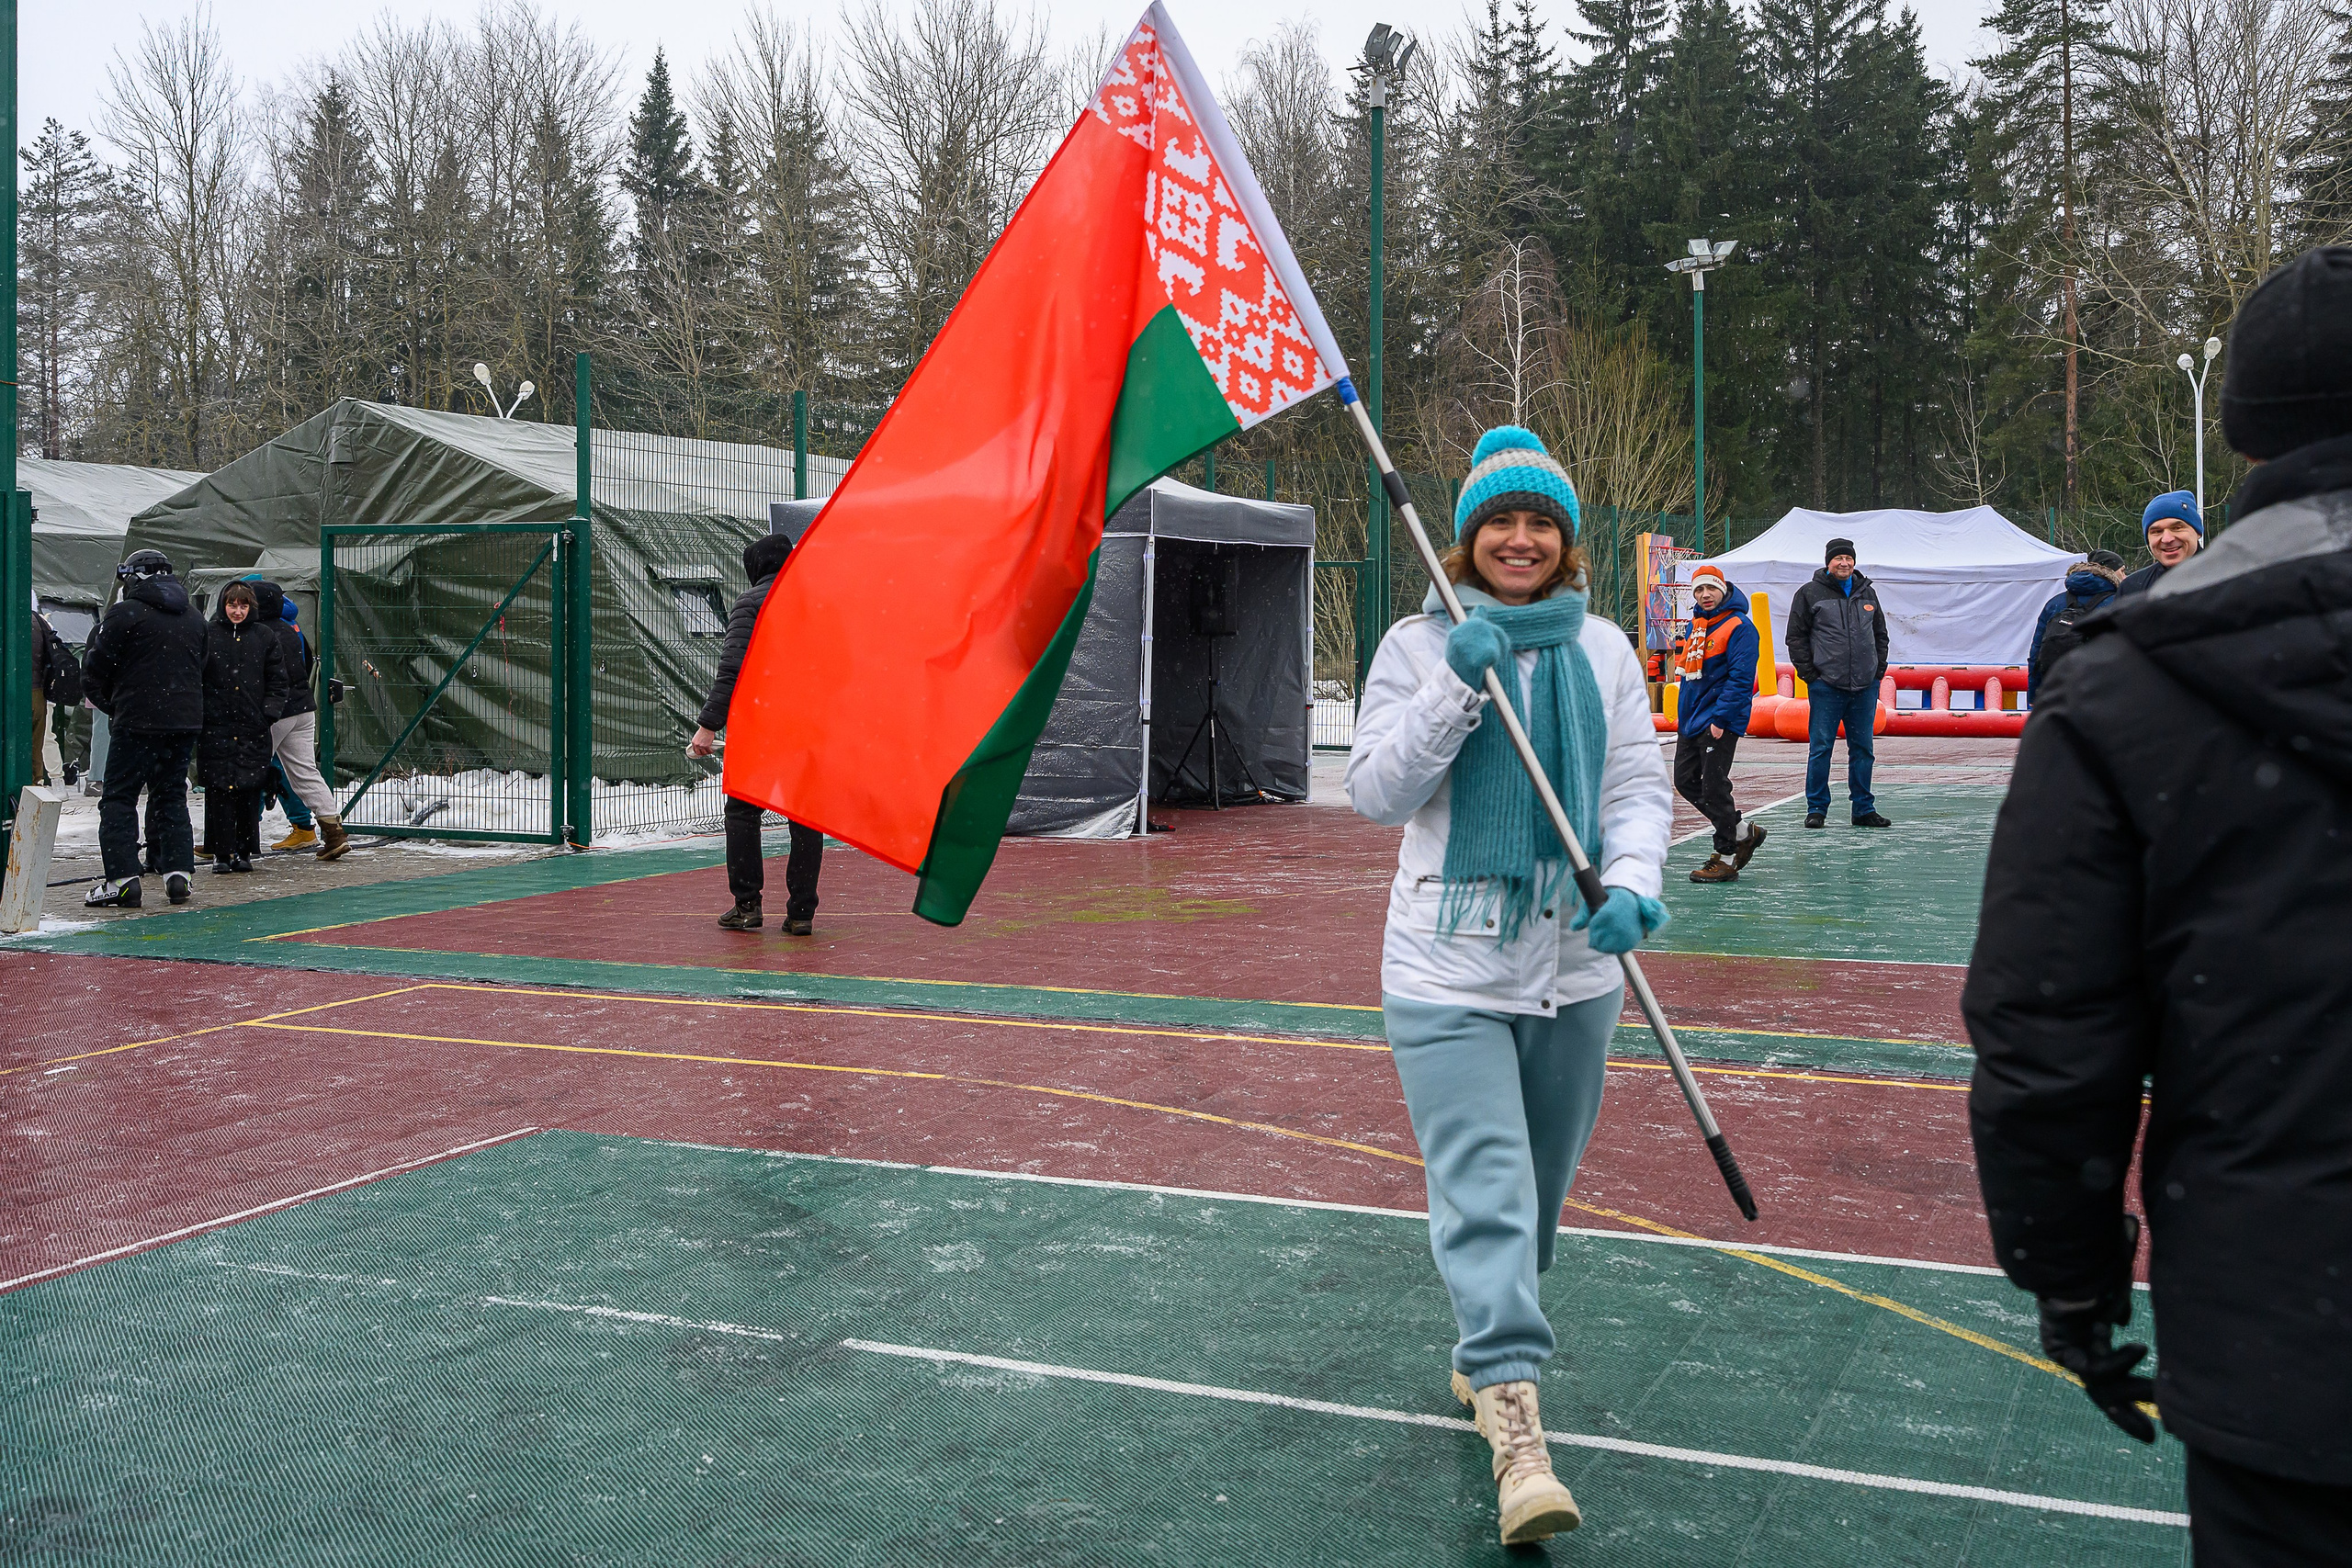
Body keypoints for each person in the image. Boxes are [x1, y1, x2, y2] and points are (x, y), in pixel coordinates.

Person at [1964, 244, 2352, 1564]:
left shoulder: (2128, 684)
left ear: (2244, 425)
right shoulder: (2121, 668)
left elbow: (2046, 1027)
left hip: (2287, 1331)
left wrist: (2068, 1271)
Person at [1345, 426, 1672, 1546]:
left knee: (1532, 1198)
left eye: (1540, 523)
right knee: (1485, 1187)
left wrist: (1630, 882)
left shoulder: (1607, 652)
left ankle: (1479, 1350)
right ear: (1468, 536)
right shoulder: (1413, 644)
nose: (1520, 539)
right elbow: (1379, 793)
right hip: (1446, 968)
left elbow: (1635, 787)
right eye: (1500, 522)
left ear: (1566, 542)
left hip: (1580, 969)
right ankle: (1517, 1433)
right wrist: (1453, 687)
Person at [690, 533, 824, 935]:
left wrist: (708, 726)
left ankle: (747, 904)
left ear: (756, 568)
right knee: (804, 818)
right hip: (807, 728)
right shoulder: (816, 602)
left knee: (743, 814)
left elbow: (731, 670)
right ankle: (801, 912)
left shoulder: (751, 603)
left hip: (761, 726)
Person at [80, 549, 207, 908]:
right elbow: (204, 668)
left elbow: (95, 670)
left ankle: (121, 880)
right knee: (170, 795)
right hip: (184, 722)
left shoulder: (124, 614)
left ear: (132, 578)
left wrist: (117, 706)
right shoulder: (194, 618)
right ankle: (178, 874)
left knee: (119, 798)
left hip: (136, 721)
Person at [1784, 536, 1892, 829]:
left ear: (1854, 562)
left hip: (1864, 687)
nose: (1844, 563)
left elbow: (1881, 635)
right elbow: (1795, 637)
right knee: (1821, 748)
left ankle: (1863, 809)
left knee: (1864, 749)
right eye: (1838, 559)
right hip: (1826, 687)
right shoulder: (1809, 593)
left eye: (1848, 558)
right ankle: (1816, 808)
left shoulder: (1868, 593)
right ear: (1828, 562)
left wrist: (1877, 671)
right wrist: (1811, 676)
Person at [1673, 564, 1766, 882]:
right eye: (1698, 590)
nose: (1705, 595)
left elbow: (1741, 680)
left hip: (1719, 719)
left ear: (1723, 589)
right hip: (1692, 719)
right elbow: (1688, 677)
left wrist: (1721, 718)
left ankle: (1725, 855)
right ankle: (1742, 831)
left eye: (1710, 588)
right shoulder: (1695, 626)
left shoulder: (1740, 626)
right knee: (1685, 780)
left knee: (1713, 786)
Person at [248, 581, 350, 861]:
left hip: (272, 712)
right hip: (302, 708)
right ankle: (333, 832)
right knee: (305, 772)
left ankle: (235, 838)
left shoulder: (258, 632)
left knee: (246, 771)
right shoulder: (291, 628)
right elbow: (305, 666)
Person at [198, 581, 288, 874]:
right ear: (223, 605)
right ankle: (220, 852)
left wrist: (269, 713)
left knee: (248, 790)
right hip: (216, 726)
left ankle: (244, 850)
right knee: (219, 790)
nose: (237, 611)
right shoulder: (209, 634)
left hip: (252, 726)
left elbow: (277, 679)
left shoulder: (263, 636)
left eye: (243, 606)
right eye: (232, 605)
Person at [2025, 548, 2124, 703]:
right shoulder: (2118, 602)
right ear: (2110, 574)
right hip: (2105, 692)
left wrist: (2034, 697)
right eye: (2123, 572)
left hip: (2060, 691)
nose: (2125, 577)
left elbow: (2037, 654)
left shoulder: (2054, 603)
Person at [2115, 491, 2203, 597]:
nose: (2167, 539)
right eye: (2157, 531)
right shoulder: (2132, 589)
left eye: (2177, 528)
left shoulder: (2225, 581)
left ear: (2198, 532)